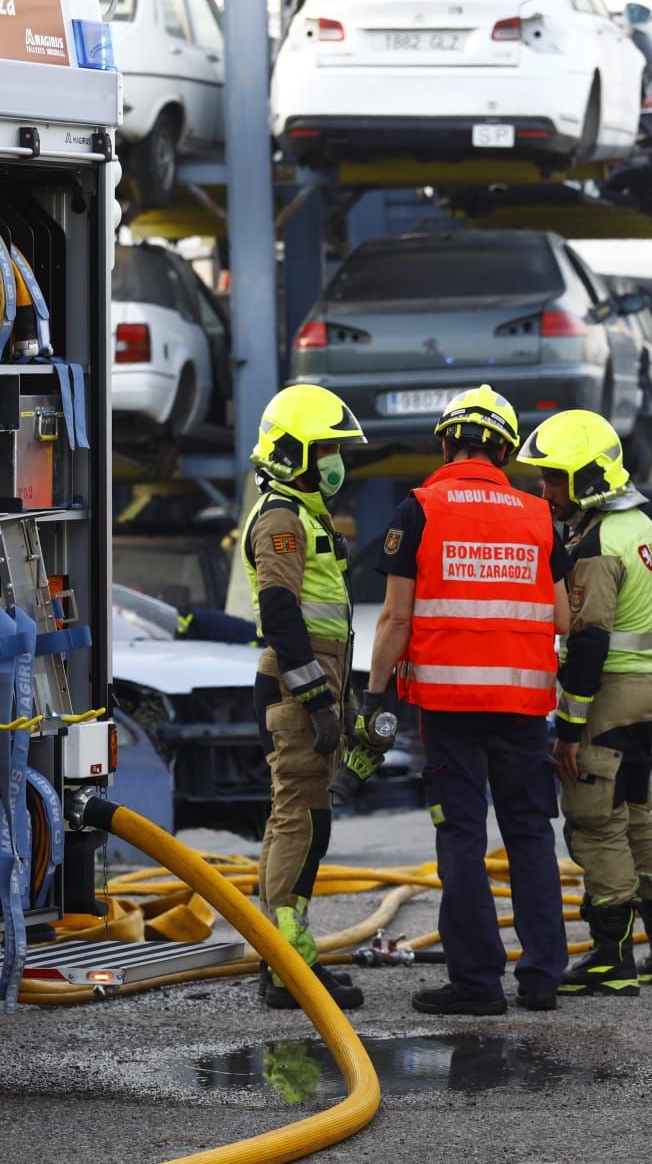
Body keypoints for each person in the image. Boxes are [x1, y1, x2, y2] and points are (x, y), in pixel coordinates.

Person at [336, 386, 572, 1015]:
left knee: (461, 839)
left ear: (446, 443)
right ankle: (544, 977)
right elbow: (565, 619)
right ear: (506, 450)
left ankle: (477, 984)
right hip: (524, 709)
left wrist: (374, 697)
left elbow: (393, 620)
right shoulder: (539, 515)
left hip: (447, 708)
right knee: (530, 836)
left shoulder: (418, 510)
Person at [516, 410, 652, 996]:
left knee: (596, 825)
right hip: (644, 692)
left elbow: (588, 641)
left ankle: (611, 957)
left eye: (555, 479)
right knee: (637, 820)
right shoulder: (646, 530)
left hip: (607, 695)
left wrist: (568, 727)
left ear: (589, 478)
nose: (546, 490)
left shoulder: (595, 544)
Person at [240, 383, 367, 1010]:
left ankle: (289, 956)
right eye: (327, 451)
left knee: (309, 818)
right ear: (295, 453)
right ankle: (287, 963)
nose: (335, 463)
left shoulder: (303, 513)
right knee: (298, 817)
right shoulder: (282, 519)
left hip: (311, 687)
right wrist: (318, 703)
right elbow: (281, 612)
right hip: (296, 691)